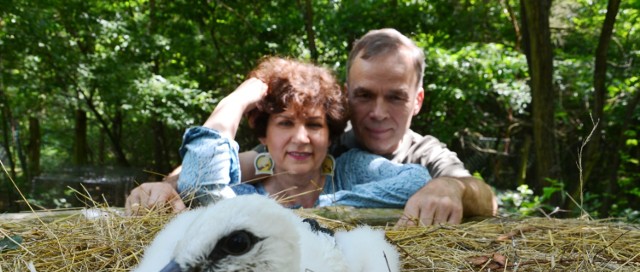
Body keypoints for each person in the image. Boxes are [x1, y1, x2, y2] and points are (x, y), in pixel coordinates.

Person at [126, 28, 497, 225]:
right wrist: (166, 186)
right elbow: (225, 171)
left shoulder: (424, 152)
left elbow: (484, 197)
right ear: (347, 98)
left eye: (396, 97)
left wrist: (448, 186)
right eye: (365, 96)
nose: (379, 112)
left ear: (417, 100)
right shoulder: (318, 149)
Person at [174, 56, 429, 209]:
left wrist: (324, 208)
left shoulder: (348, 171)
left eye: (314, 125)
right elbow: (199, 190)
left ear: (330, 135)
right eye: (285, 123)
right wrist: (235, 102)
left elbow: (416, 182)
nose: (300, 138)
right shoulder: (246, 197)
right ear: (264, 135)